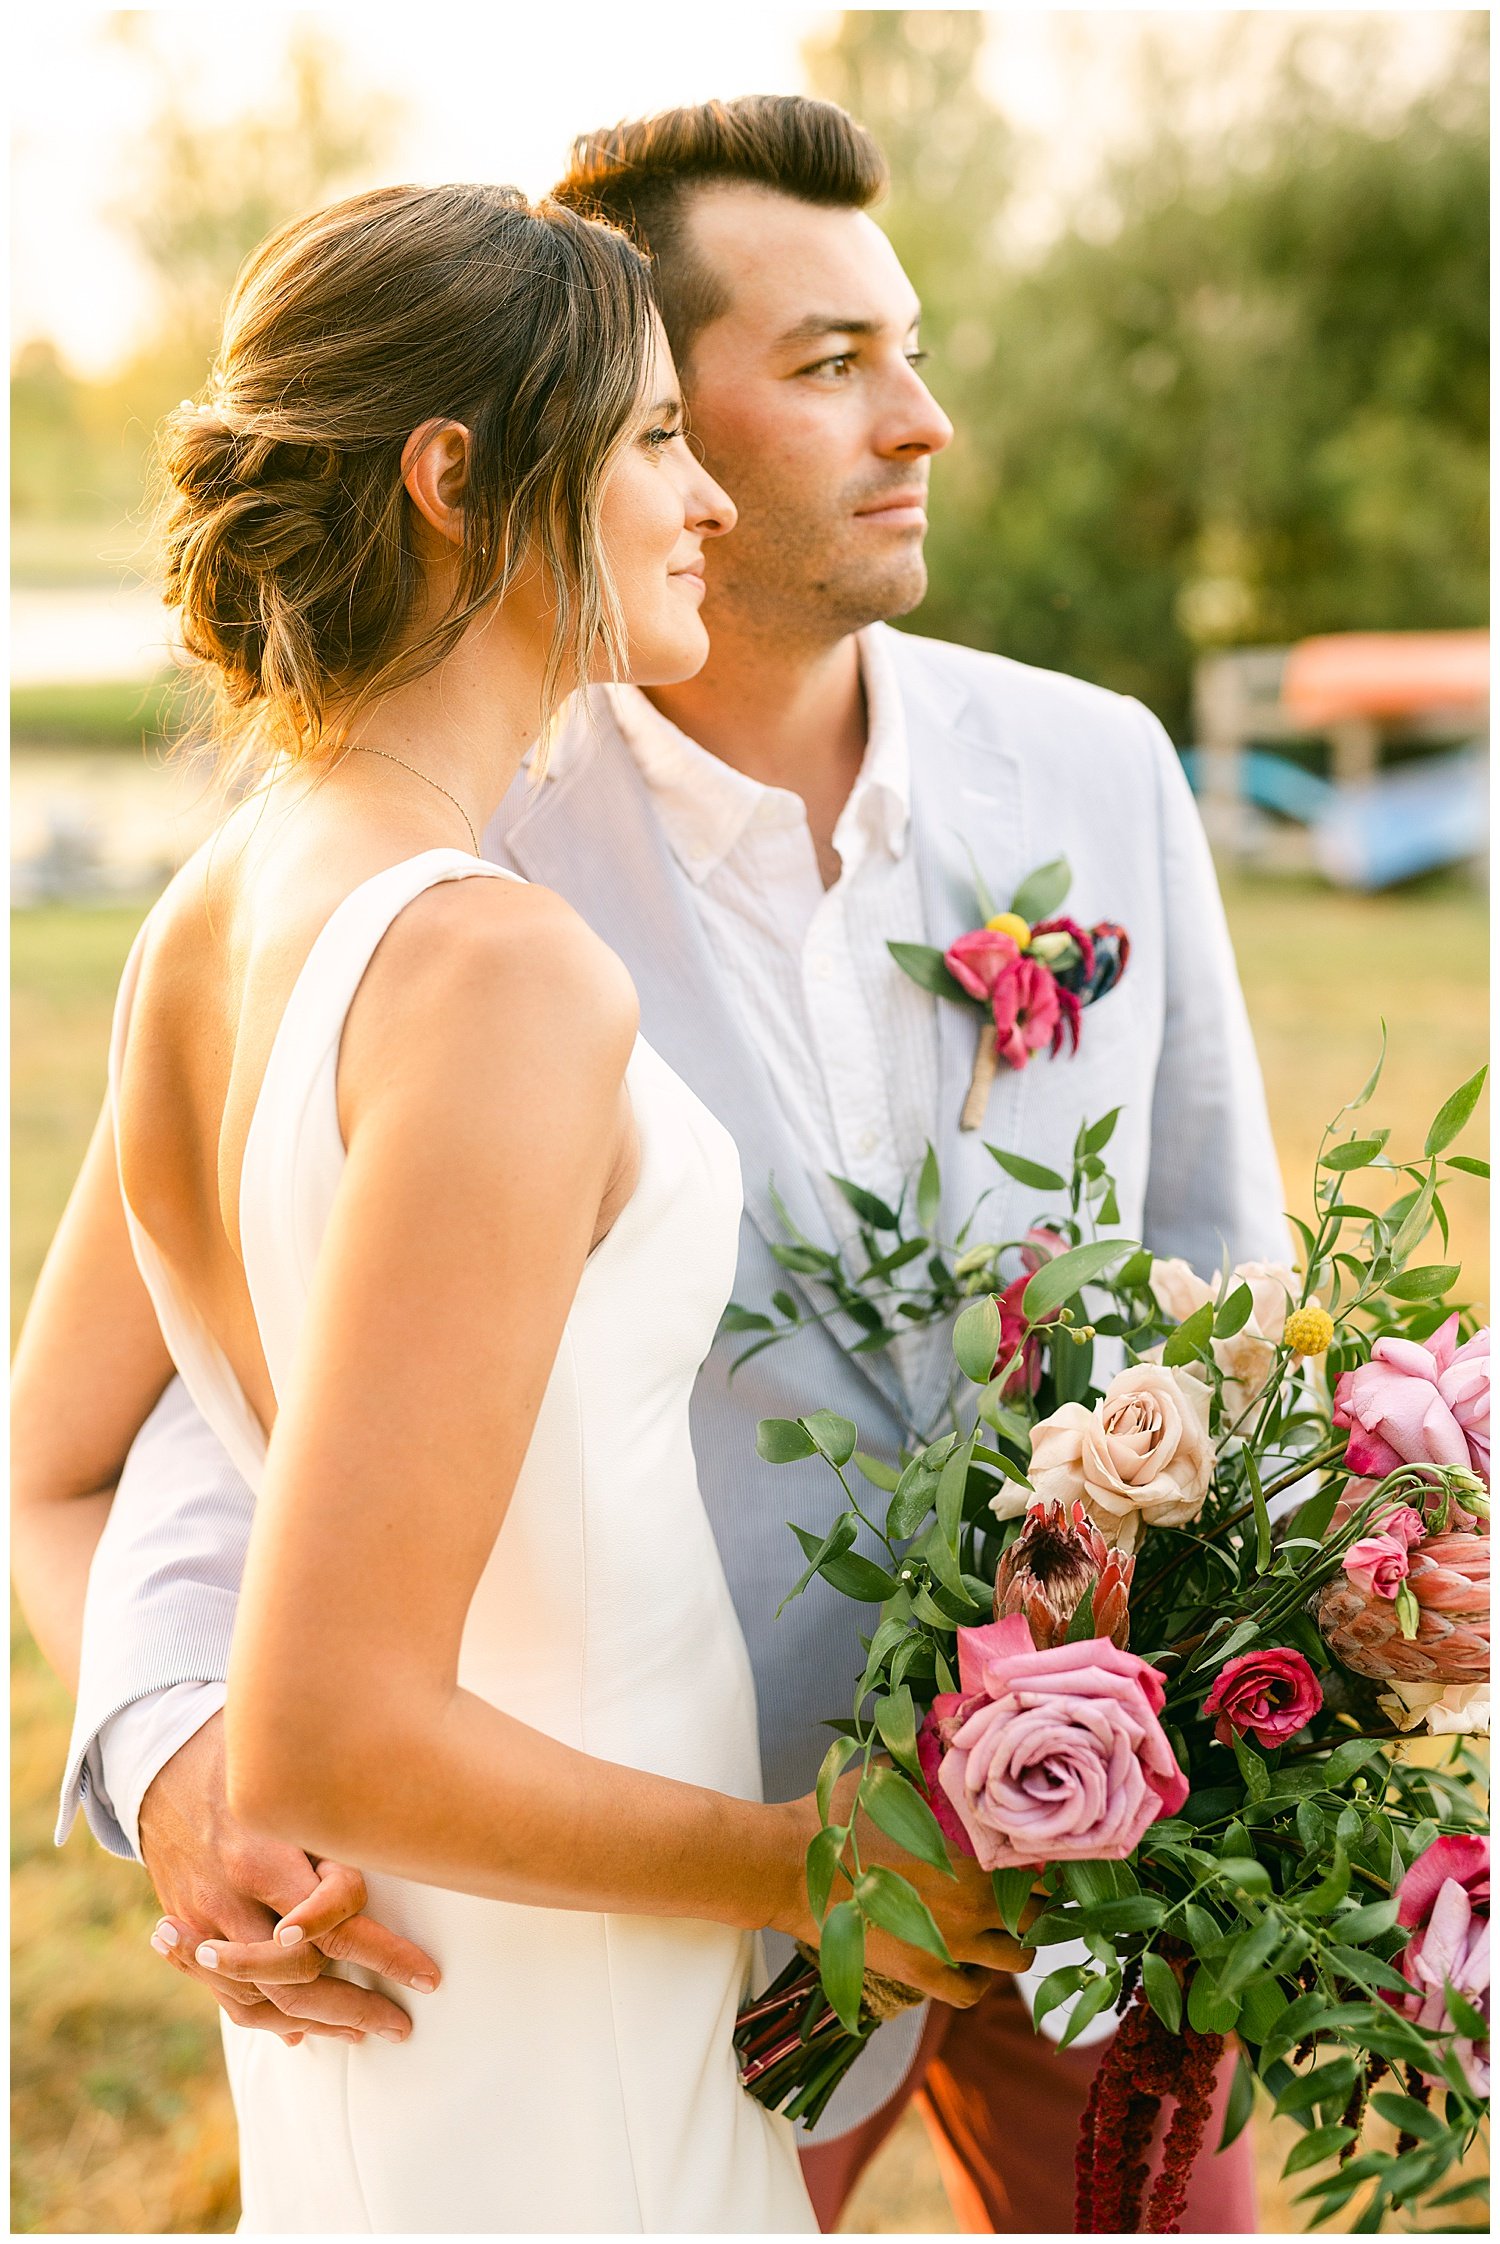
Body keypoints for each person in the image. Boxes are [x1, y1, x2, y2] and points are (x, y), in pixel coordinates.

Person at [15, 97, 1281, 2230]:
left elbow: (1213, 1272)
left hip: (1071, 1839)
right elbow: (157, 1464)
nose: (922, 421)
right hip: (627, 1902)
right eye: (722, 409)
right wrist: (182, 1753)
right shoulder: (477, 919)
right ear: (472, 469)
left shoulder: (226, 901)